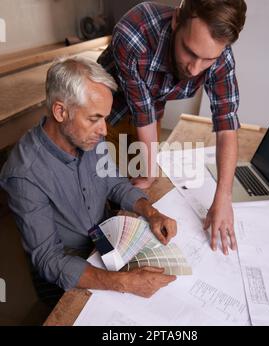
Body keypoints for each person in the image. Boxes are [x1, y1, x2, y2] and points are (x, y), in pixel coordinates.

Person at [0, 57, 177, 303]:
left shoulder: (87, 136)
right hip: (68, 267)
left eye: (104, 118)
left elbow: (114, 182)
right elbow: (49, 259)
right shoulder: (24, 174)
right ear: (61, 111)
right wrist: (125, 282)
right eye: (94, 118)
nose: (104, 130)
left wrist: (151, 212)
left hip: (104, 240)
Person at [98, 0, 247, 255]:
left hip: (148, 111)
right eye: (189, 51)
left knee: (139, 187)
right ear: (177, 20)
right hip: (104, 114)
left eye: (207, 59)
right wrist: (148, 173)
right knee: (101, 187)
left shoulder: (221, 56)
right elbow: (141, 113)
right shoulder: (135, 32)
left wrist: (224, 197)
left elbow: (226, 126)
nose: (194, 68)